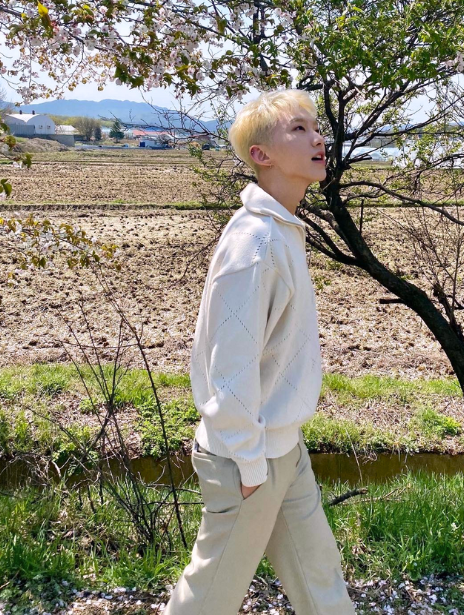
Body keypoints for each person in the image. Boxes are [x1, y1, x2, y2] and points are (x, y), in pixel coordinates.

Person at [164, 90, 356, 614]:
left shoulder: (282, 229)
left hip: (282, 450)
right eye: (298, 129)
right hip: (247, 455)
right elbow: (228, 370)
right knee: (209, 598)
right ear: (260, 155)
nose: (319, 138)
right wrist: (249, 465)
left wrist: (272, 455)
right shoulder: (257, 244)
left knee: (321, 582)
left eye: (316, 127)